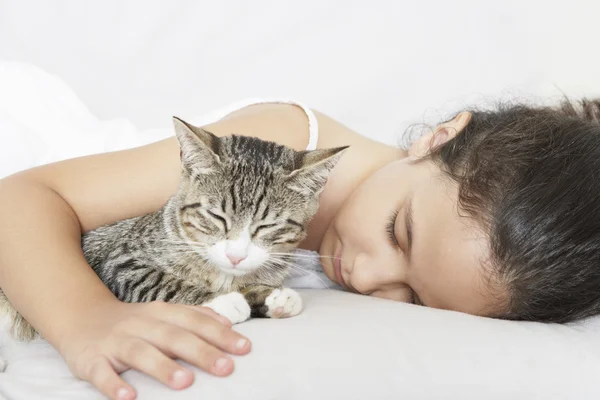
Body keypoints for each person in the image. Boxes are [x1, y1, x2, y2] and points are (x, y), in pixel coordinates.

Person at [1, 98, 599, 400]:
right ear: (439, 138)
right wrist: (85, 317)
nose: (366, 277)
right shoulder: (284, 144)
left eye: (414, 297)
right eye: (398, 232)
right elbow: (25, 197)